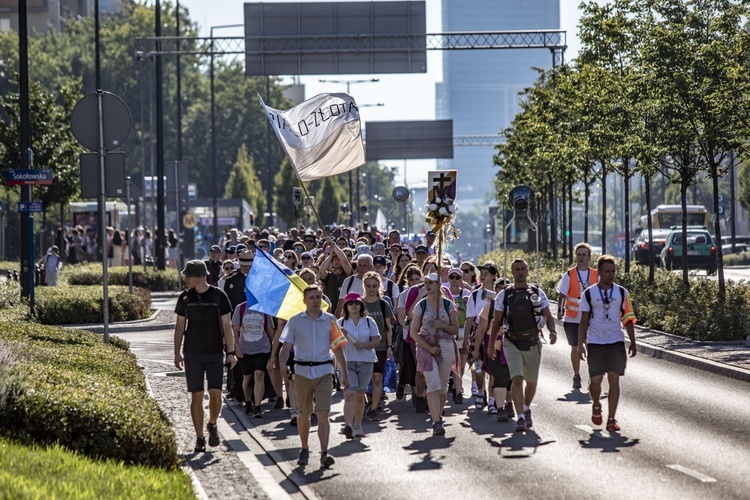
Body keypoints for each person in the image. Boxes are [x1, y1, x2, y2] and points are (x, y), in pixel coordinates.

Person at [279, 285, 349, 468]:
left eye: (318, 297)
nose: (315, 301)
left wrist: (345, 375)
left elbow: (338, 349)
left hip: (324, 371)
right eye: (312, 297)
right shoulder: (295, 321)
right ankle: (304, 448)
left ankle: (324, 452)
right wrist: (281, 366)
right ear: (304, 300)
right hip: (302, 372)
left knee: (323, 412)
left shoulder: (330, 320)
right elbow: (286, 348)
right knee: (303, 413)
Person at [173, 260, 236, 453]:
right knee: (197, 395)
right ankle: (200, 437)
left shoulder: (219, 296)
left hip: (215, 351)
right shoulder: (184, 298)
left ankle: (213, 423)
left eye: (188, 275)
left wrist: (231, 352)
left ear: (200, 276)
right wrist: (176, 352)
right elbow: (180, 326)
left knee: (216, 394)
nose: (185, 278)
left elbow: (227, 326)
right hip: (192, 353)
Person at [488, 258, 557, 432]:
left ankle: (526, 408)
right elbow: (497, 321)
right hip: (512, 342)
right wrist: (490, 345)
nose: (520, 272)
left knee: (531, 383)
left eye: (523, 268)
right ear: (512, 272)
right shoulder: (504, 294)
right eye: (517, 269)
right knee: (517, 379)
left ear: (527, 270)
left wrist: (552, 331)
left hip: (533, 342)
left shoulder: (537, 292)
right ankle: (520, 417)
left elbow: (548, 315)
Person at [578, 255, 637, 432]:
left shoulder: (621, 292)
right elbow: (584, 320)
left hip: (615, 341)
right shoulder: (589, 294)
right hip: (595, 342)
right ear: (600, 272)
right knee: (596, 381)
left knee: (614, 378)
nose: (611, 275)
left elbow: (627, 318)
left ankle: (611, 419)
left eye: (613, 272)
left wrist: (633, 342)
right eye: (607, 272)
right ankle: (596, 404)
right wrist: (581, 343)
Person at [410, 272, 459, 436]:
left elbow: (455, 329)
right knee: (433, 383)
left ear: (439, 285)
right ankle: (436, 421)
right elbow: (413, 332)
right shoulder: (421, 305)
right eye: (426, 283)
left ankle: (438, 414)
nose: (428, 286)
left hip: (445, 345)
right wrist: (429, 348)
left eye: (432, 283)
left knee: (443, 386)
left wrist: (442, 326)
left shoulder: (448, 304)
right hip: (426, 347)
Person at [557, 242, 599, 390]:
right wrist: (560, 310)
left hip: (591, 318)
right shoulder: (569, 274)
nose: (581, 257)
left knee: (592, 348)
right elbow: (562, 294)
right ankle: (576, 375)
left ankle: (593, 376)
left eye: (584, 255)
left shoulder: (595, 274)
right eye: (578, 254)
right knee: (575, 348)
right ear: (576, 256)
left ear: (589, 257)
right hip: (572, 318)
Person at [338, 292, 380, 439]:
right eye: (350, 303)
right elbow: (333, 344)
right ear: (346, 306)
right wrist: (340, 335)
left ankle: (358, 425)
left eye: (357, 303)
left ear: (361, 305)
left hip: (366, 362)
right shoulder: (340, 323)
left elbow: (376, 340)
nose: (354, 305)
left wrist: (364, 345)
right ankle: (348, 425)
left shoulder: (369, 321)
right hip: (346, 362)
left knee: (360, 396)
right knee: (349, 393)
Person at [361, 271, 394, 420]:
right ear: (364, 286)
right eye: (368, 286)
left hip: (380, 347)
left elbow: (388, 327)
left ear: (379, 287)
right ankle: (364, 403)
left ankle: (374, 408)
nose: (371, 289)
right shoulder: (360, 304)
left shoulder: (383, 304)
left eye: (374, 286)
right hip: (363, 347)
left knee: (377, 378)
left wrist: (389, 347)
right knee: (363, 379)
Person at [232, 300, 274, 418]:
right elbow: (235, 329)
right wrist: (237, 346)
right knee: (247, 378)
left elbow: (270, 330)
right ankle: (248, 400)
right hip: (245, 348)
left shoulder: (265, 308)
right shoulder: (240, 308)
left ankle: (257, 406)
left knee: (259, 374)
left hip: (262, 348)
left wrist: (273, 349)